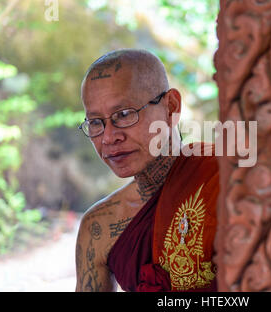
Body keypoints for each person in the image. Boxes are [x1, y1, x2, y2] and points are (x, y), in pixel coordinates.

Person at [75, 49, 219, 292]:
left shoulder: (226, 176)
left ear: (171, 107)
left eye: (123, 115)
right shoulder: (99, 228)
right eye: (96, 122)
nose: (109, 137)